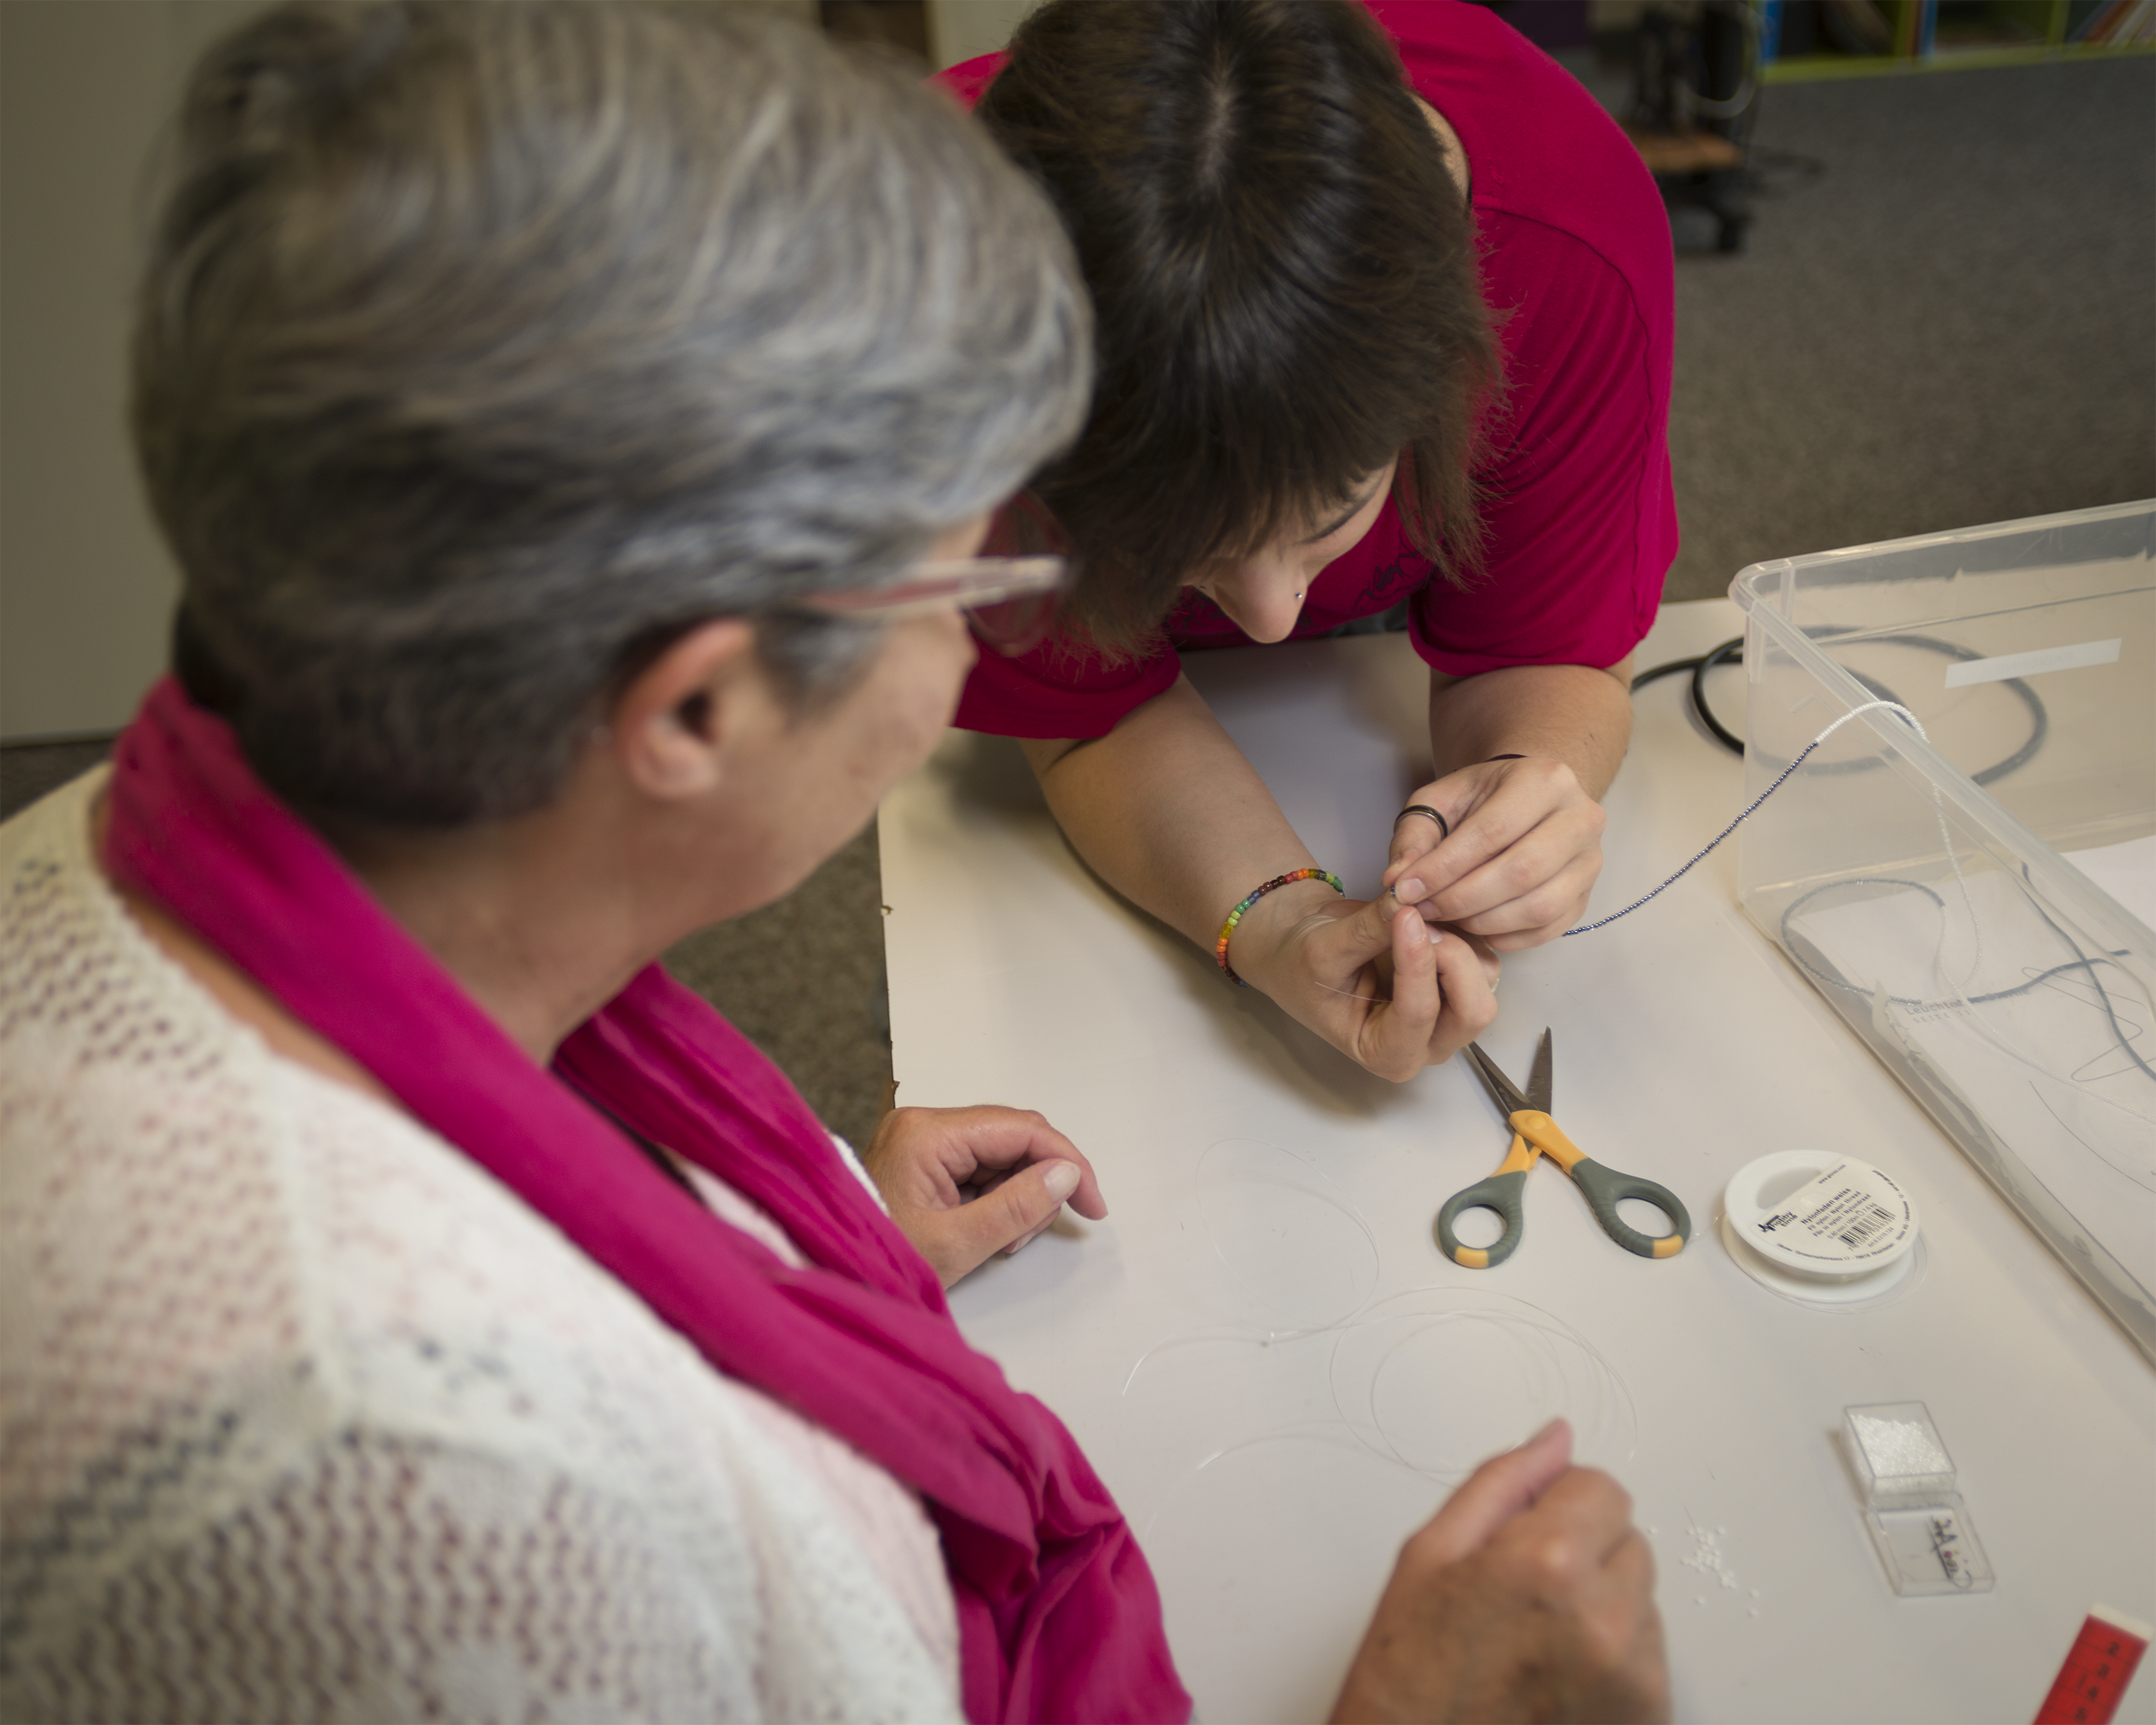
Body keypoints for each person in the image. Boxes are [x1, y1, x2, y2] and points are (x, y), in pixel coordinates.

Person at [0, 5, 1667, 1721]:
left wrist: (777, 1258)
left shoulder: (137, 862)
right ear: (700, 708)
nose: (995, 657)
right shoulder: (447, 1494)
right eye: (968, 574)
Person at [937, 0, 1679, 1083]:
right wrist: (1279, 926)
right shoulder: (931, 328)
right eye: (1182, 560)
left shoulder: (1566, 252)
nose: (1273, 617)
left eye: (1328, 521)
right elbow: (1087, 714)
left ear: (1448, 364)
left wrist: (1527, 793)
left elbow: (1535, 641)